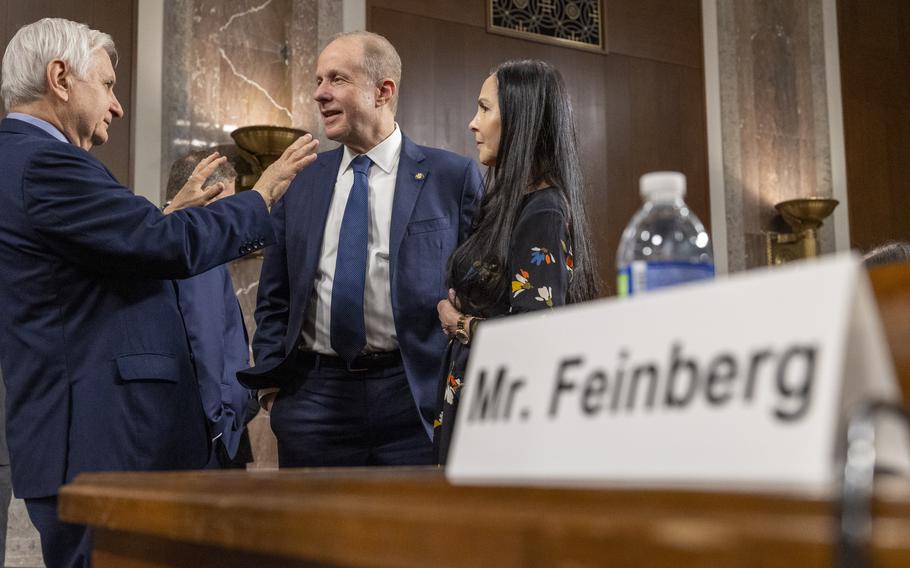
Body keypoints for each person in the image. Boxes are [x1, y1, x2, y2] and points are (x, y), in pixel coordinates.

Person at [0, 18, 317, 566]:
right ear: (59, 77)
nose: (117, 105)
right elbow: (159, 244)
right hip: (98, 447)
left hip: (95, 444)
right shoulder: (44, 163)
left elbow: (107, 259)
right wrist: (258, 198)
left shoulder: (26, 162)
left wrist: (169, 217)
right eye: (106, 84)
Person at [239, 31, 483, 467]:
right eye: (318, 80)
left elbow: (478, 288)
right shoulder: (300, 180)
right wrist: (273, 389)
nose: (319, 94)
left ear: (382, 91)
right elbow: (275, 294)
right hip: (314, 401)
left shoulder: (453, 177)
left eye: (336, 79)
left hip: (414, 397)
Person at [433, 59, 600, 463]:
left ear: (521, 119)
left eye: (485, 109)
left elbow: (534, 330)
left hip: (502, 413)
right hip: (479, 396)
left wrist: (458, 323)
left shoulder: (544, 210)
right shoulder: (509, 204)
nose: (474, 123)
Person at [166, 151, 258, 469]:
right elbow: (203, 340)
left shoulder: (167, 243)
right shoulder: (193, 250)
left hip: (211, 433)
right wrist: (222, 423)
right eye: (229, 203)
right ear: (206, 197)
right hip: (209, 442)